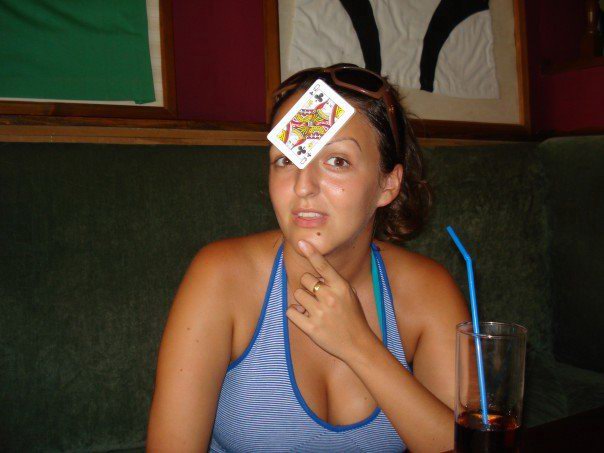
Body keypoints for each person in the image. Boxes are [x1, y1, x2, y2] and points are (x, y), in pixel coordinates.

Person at [146, 64, 469, 452]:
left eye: (337, 161)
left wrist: (358, 345)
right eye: (286, 159)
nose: (302, 186)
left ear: (387, 184)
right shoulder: (221, 276)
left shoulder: (428, 291)